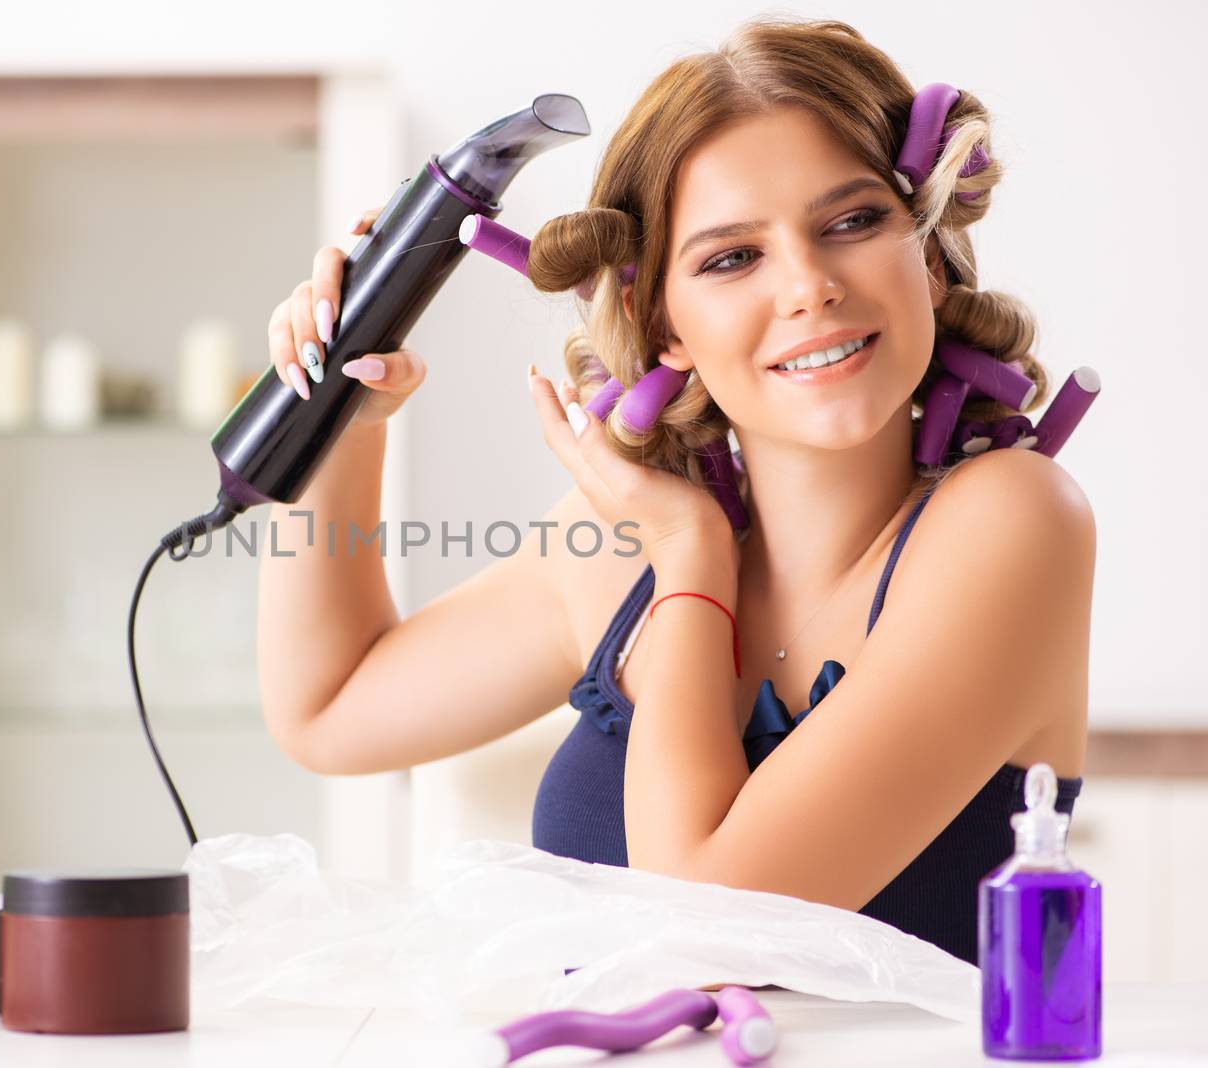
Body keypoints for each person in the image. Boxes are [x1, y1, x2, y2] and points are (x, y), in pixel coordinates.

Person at [256, 15, 1094, 964]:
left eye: (853, 221)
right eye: (733, 257)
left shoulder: (1013, 522)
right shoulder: (621, 547)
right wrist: (345, 422)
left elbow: (707, 928)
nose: (809, 286)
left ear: (930, 257)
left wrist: (690, 563)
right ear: (663, 327)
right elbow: (328, 709)